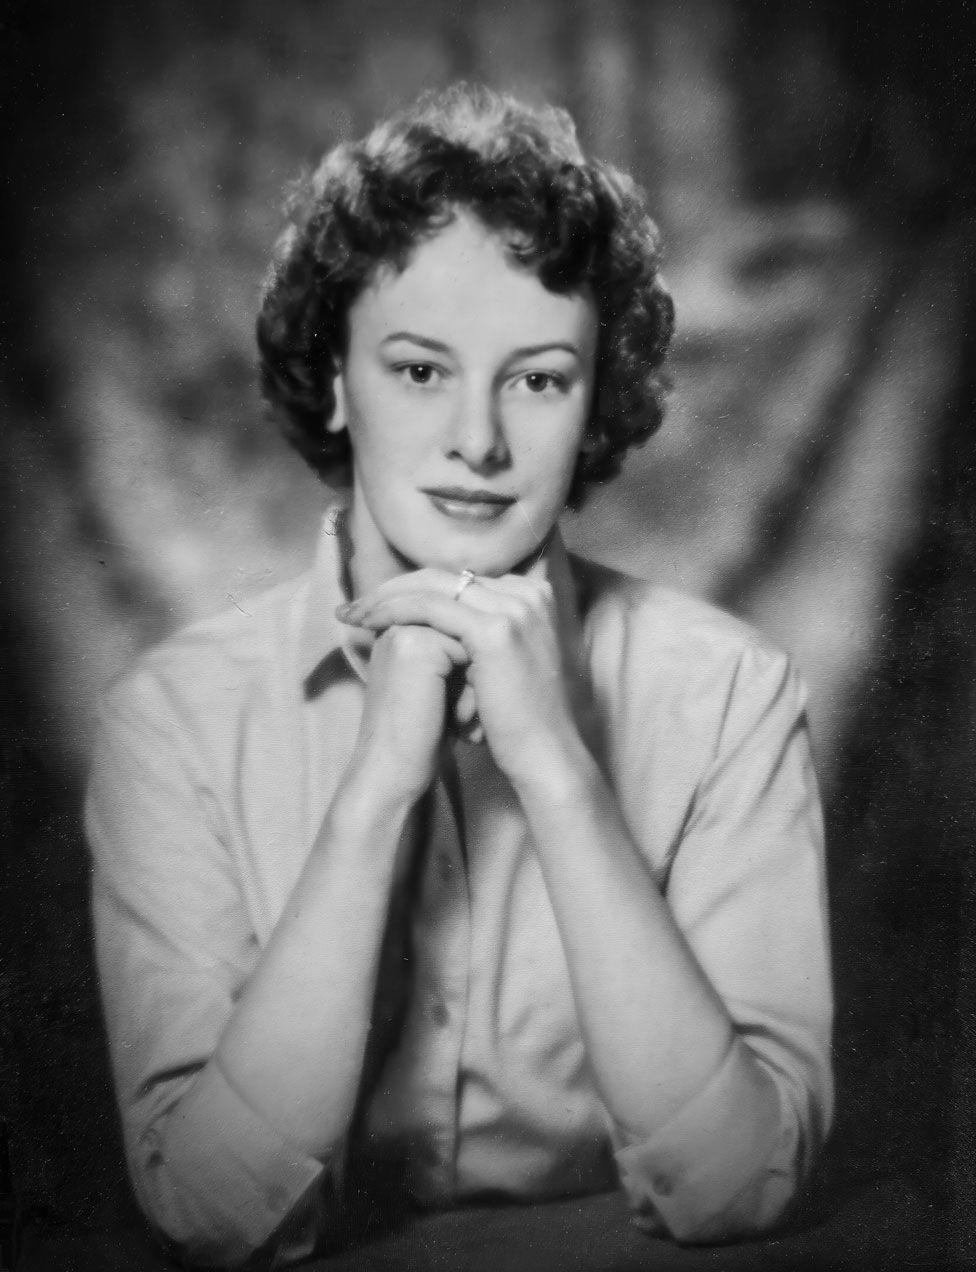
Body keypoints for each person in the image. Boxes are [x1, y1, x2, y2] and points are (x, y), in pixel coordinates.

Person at [85, 84, 833, 1269]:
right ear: (335, 379)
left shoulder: (730, 694)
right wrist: (377, 786)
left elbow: (736, 1189)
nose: (478, 442)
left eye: (537, 379)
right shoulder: (169, 722)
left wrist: (562, 776)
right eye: (421, 370)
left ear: (592, 406)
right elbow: (212, 1219)